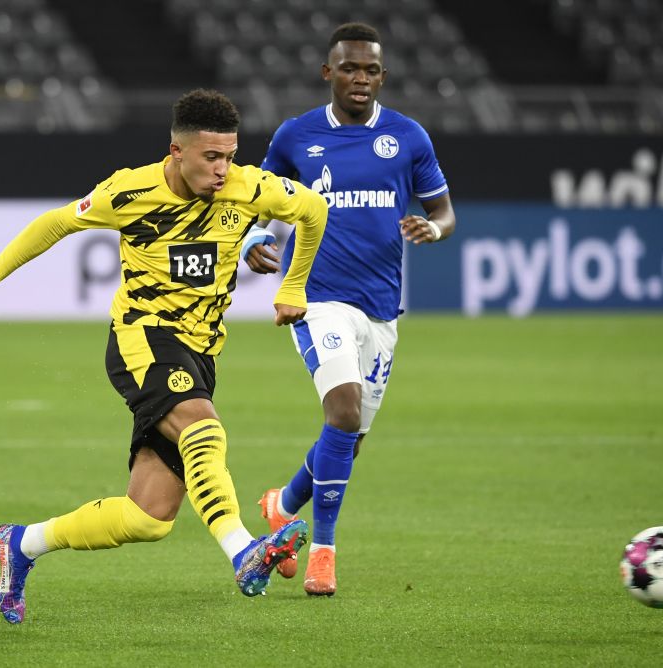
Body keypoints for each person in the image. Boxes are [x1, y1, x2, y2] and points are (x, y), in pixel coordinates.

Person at [0, 89, 328, 623]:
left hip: (201, 350)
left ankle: (21, 543)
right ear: (176, 152)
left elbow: (313, 209)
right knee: (204, 428)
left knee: (148, 517)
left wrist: (292, 288)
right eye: (211, 157)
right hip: (144, 338)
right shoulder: (130, 190)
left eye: (229, 155)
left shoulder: (249, 187)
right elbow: (57, 222)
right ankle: (243, 551)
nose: (223, 169)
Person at [242, 23, 456, 596]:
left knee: (350, 437)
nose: (360, 78)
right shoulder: (296, 136)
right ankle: (324, 553)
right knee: (342, 412)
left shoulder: (408, 137)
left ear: (381, 77)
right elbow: (258, 202)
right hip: (316, 299)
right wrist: (251, 240)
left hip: (382, 309)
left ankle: (282, 505)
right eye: (349, 68)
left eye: (371, 70)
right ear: (328, 73)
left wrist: (432, 227)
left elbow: (444, 211)